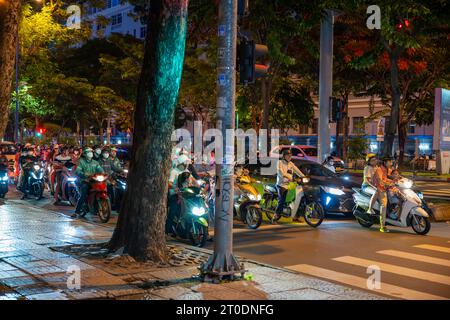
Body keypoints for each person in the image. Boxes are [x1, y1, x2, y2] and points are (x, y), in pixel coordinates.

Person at [166, 154, 200, 233]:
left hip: (185, 194)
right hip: (175, 195)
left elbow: (193, 180)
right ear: (180, 163)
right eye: (184, 163)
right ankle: (167, 230)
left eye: (186, 164)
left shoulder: (186, 171)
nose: (186, 165)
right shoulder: (174, 172)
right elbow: (169, 183)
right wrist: (175, 188)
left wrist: (199, 186)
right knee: (173, 211)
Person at [72, 147, 104, 218]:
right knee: (83, 194)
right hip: (83, 181)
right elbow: (78, 171)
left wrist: (103, 173)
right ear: (85, 154)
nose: (90, 153)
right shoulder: (81, 162)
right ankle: (77, 212)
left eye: (91, 152)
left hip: (94, 181)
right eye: (88, 152)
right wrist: (84, 174)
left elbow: (101, 170)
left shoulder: (95, 162)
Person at [275, 149, 305, 223]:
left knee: (297, 199)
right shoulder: (279, 162)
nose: (289, 157)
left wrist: (303, 176)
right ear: (284, 156)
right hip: (281, 184)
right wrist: (286, 176)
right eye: (288, 155)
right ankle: (275, 216)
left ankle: (295, 216)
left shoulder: (291, 164)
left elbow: (297, 171)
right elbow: (280, 172)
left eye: (290, 155)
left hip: (290, 185)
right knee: (282, 200)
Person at [372, 155, 395, 233]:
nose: (391, 163)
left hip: (385, 188)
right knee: (384, 205)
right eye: (390, 161)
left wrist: (398, 179)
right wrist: (387, 184)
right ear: (385, 162)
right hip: (379, 189)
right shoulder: (379, 170)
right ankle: (382, 226)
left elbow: (388, 177)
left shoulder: (386, 169)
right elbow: (380, 181)